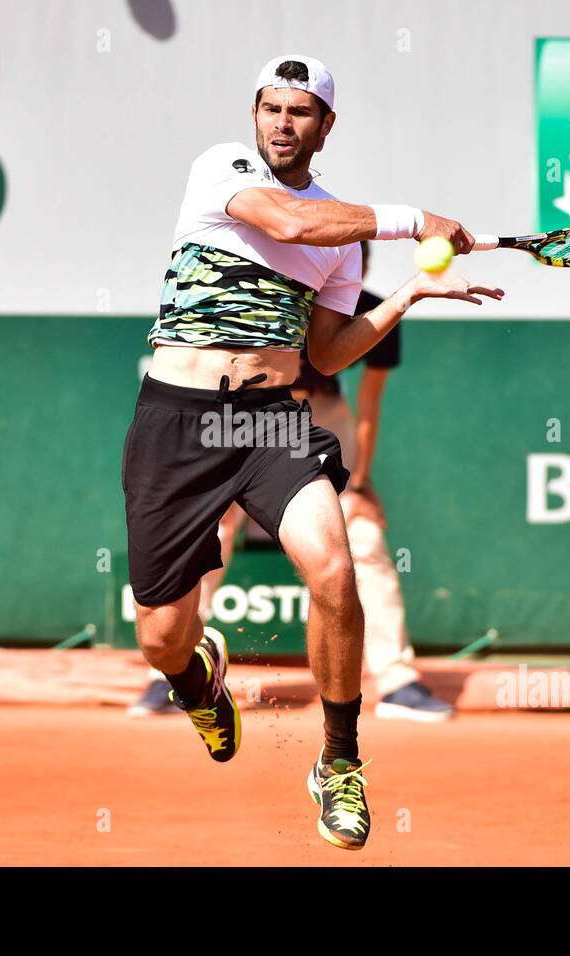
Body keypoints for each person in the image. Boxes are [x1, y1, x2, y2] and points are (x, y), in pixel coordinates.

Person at [121, 53, 503, 850]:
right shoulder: (225, 171)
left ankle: (339, 761)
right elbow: (291, 224)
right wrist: (416, 219)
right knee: (160, 638)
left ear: (326, 125)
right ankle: (198, 678)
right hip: (177, 421)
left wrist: (408, 293)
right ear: (254, 116)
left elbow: (326, 353)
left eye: (299, 112)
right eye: (271, 108)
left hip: (270, 421)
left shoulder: (343, 237)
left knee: (334, 568)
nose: (282, 124)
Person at [130, 240, 454, 722]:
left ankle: (397, 680)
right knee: (213, 529)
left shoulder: (373, 310)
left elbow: (369, 404)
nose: (341, 270)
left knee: (362, 535)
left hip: (317, 418)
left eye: (352, 261)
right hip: (242, 413)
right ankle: (176, 671)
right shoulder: (268, 294)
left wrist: (360, 483)